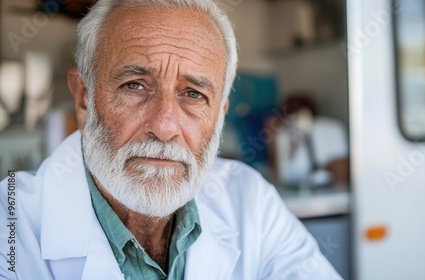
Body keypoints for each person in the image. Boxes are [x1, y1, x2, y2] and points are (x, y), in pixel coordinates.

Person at [0, 0, 342, 279]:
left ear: (220, 112)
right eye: (134, 85)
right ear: (84, 98)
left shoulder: (251, 201)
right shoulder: (10, 225)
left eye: (193, 94)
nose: (164, 127)